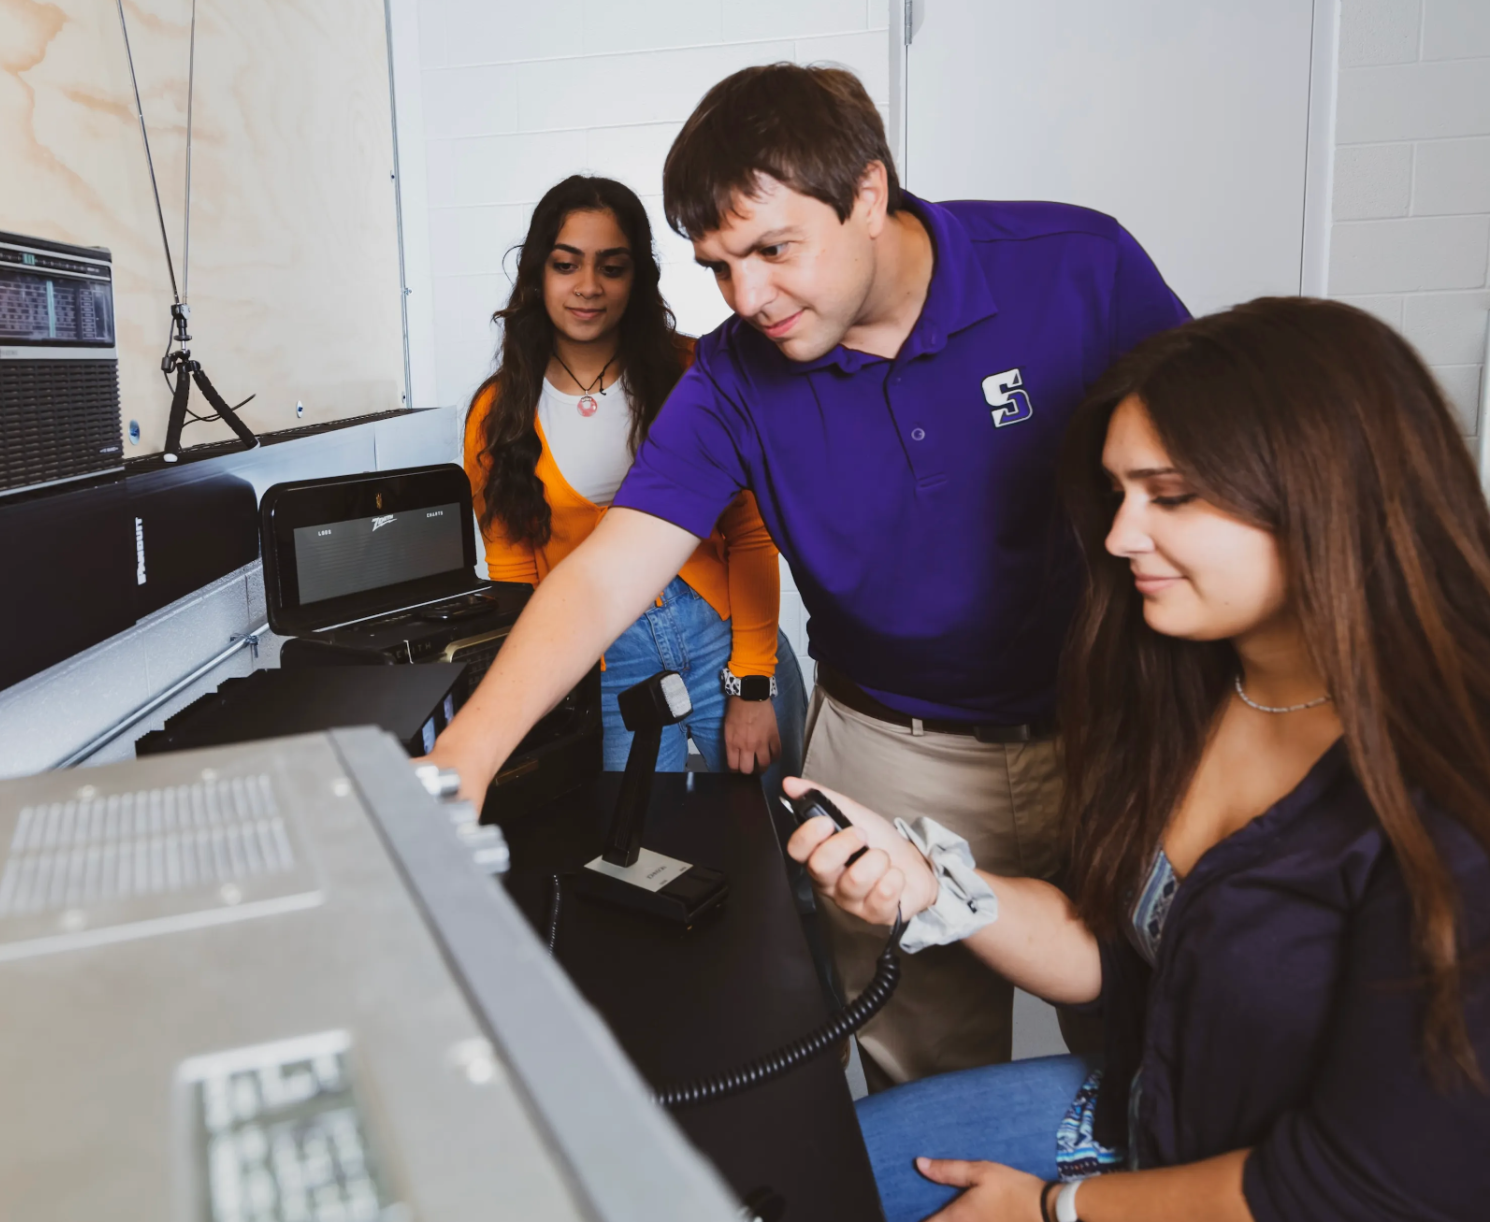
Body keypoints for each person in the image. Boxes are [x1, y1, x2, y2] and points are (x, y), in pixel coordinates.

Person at [427, 63, 1188, 1087]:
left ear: (867, 194)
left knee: (1149, 1045)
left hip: (1113, 731)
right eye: (717, 266)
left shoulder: (1076, 265)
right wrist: (458, 767)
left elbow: (1224, 472)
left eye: (773, 250)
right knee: (924, 1072)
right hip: (894, 754)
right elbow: (605, 573)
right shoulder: (734, 373)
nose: (747, 299)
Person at [790, 299, 1490, 1222]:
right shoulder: (1192, 685)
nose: (1119, 538)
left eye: (1169, 495)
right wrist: (932, 885)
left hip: (1291, 1188)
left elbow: (1365, 1183)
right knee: (810, 1173)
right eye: (1119, 494)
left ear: (1324, 493)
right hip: (1158, 1108)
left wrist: (1055, 1209)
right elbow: (1123, 955)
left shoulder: (1446, 799)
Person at [464, 174, 805, 778]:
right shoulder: (498, 410)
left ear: (637, 278)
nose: (588, 287)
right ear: (537, 274)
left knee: (783, 834)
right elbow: (514, 576)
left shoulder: (695, 375)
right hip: (603, 665)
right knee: (638, 856)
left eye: (612, 267)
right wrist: (535, 706)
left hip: (723, 644)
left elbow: (752, 534)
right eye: (567, 265)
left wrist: (752, 684)